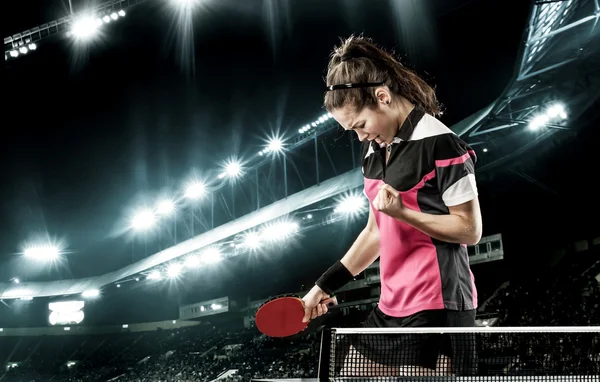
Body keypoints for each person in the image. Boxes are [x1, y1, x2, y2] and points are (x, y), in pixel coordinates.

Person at [301, 34, 482, 376]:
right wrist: (321, 287)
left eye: (360, 125)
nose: (360, 137)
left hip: (437, 302)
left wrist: (403, 213)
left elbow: (470, 230)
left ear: (382, 97)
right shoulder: (373, 151)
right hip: (392, 303)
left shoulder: (442, 144)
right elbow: (375, 233)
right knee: (347, 371)